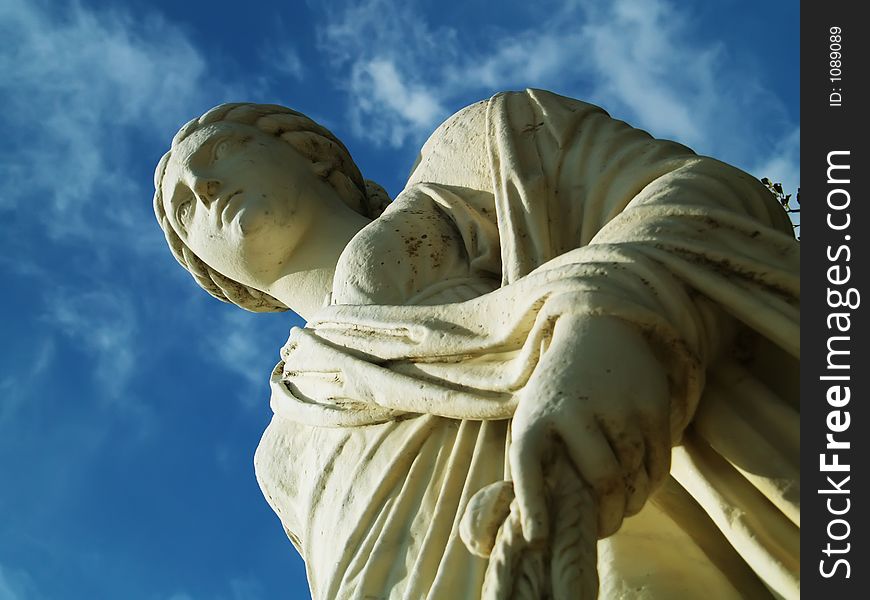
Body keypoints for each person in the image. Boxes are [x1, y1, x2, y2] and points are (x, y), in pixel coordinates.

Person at [154, 90, 799, 599]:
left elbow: (709, 198)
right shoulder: (282, 454)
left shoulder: (482, 153)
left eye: (220, 153)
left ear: (311, 150)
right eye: (184, 209)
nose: (203, 190)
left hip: (627, 533)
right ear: (224, 281)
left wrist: (611, 324)